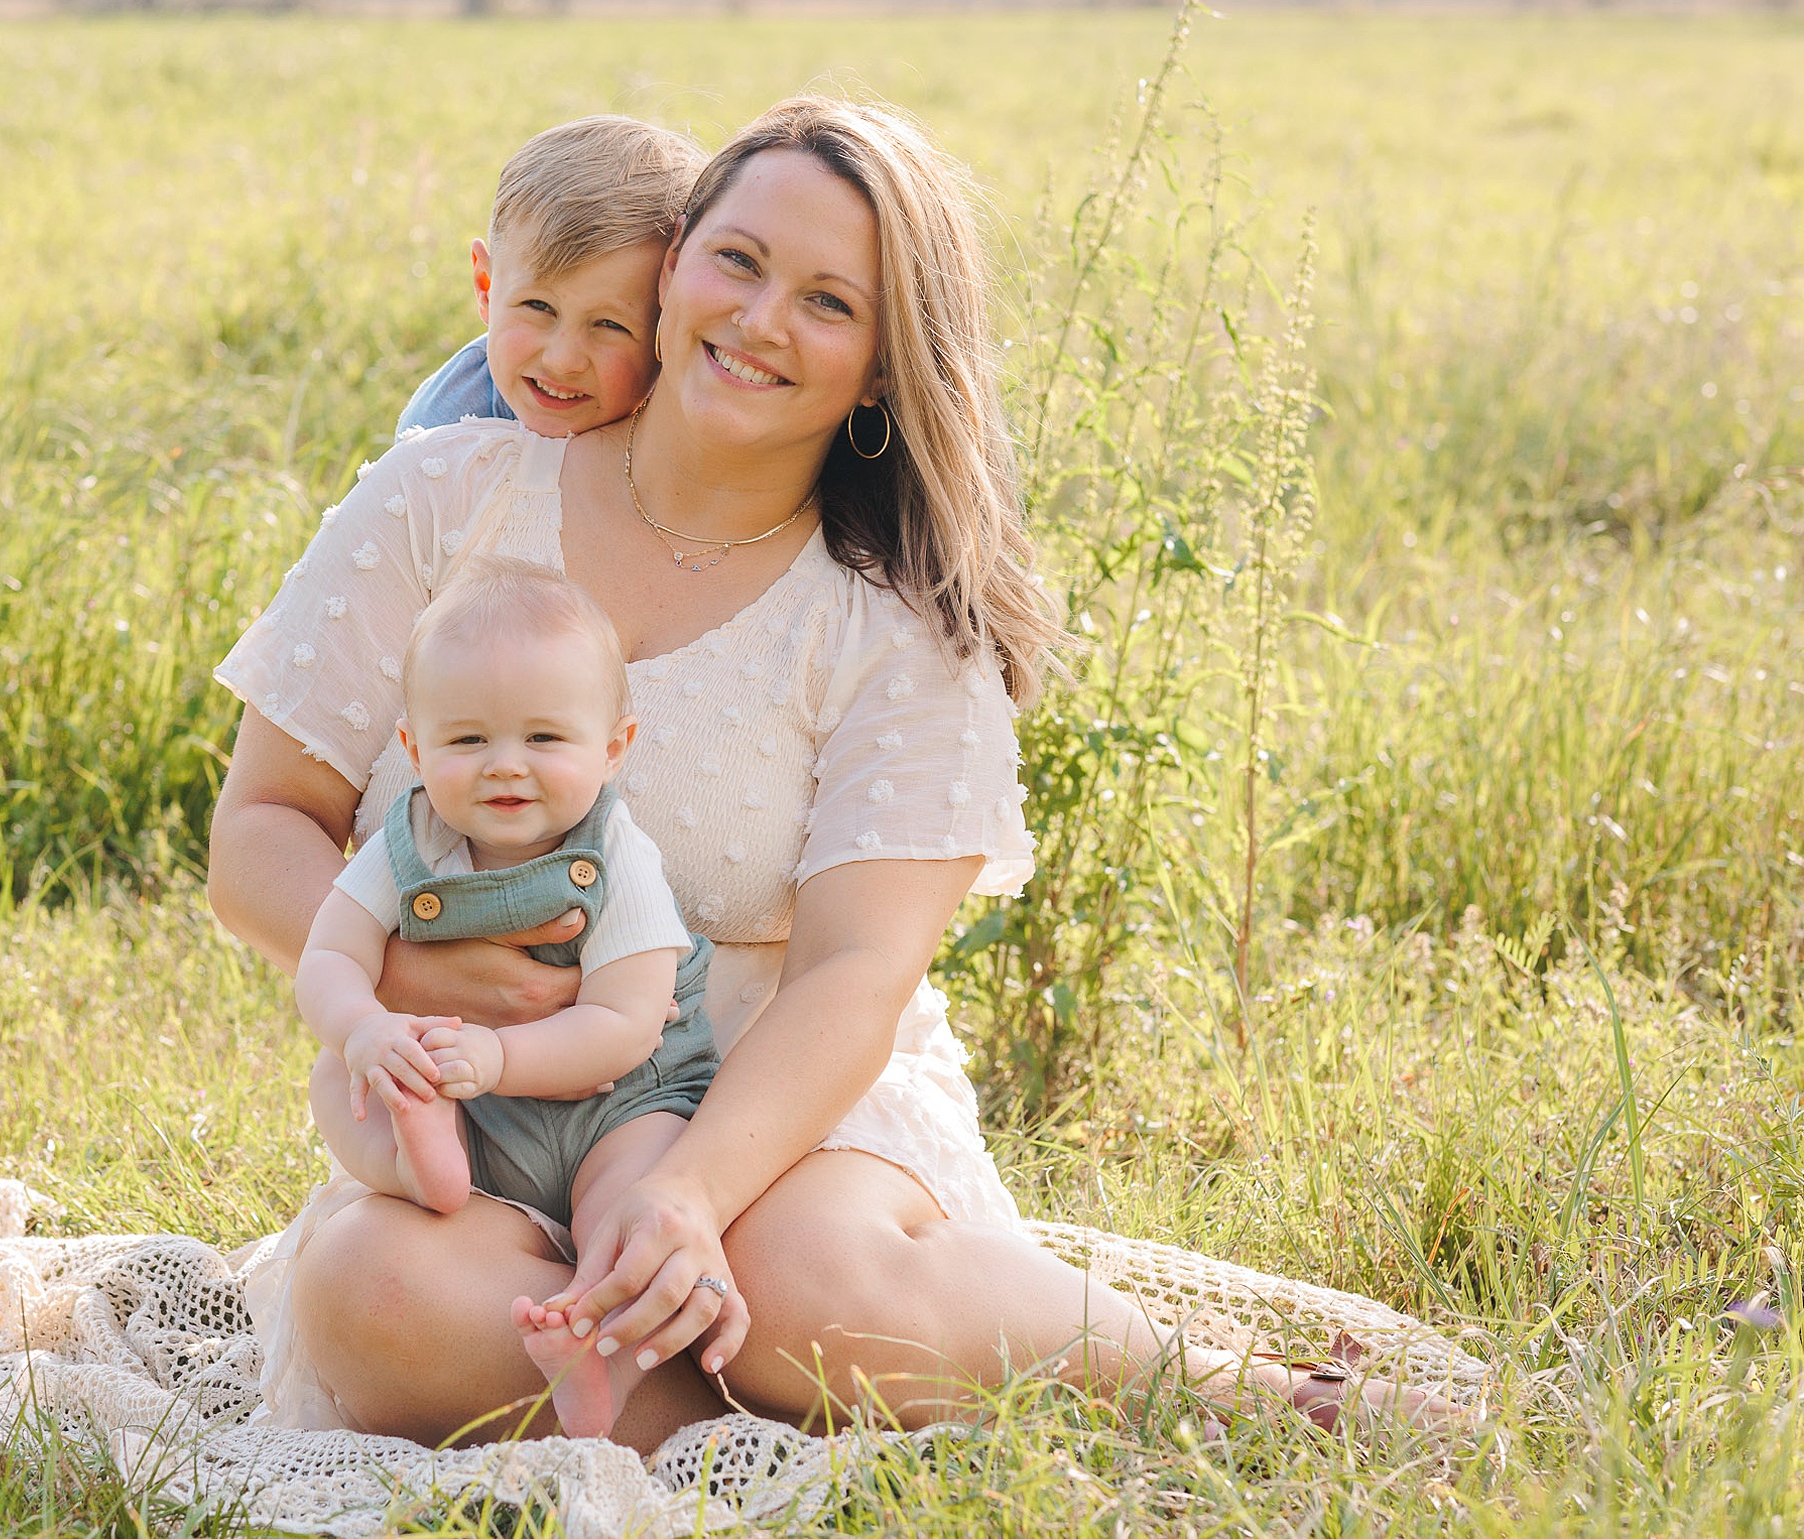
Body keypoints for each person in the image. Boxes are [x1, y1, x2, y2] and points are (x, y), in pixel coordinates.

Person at [212, 97, 1464, 1445]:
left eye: (826, 301)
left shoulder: (900, 622)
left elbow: (856, 974)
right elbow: (262, 828)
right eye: (738, 262)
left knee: (799, 1288)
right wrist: (400, 979)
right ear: (674, 257)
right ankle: (781, 1408)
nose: (757, 322)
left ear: (880, 364)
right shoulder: (440, 500)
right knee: (374, 1291)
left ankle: (1240, 1392)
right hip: (496, 1113)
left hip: (787, 1119)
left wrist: (688, 1190)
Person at [285, 556, 724, 1435]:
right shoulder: (410, 841)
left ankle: (593, 1337)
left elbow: (627, 1024)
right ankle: (422, 1165)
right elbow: (327, 955)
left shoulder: (616, 854)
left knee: (628, 1200)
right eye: (468, 741)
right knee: (339, 1080)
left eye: (544, 740)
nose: (505, 767)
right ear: (414, 749)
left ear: (613, 749)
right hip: (472, 1115)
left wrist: (499, 1056)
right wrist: (367, 1027)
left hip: (618, 1104)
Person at [392, 113, 702, 441]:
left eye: (610, 324)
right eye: (538, 306)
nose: (562, 361)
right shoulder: (441, 431)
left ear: (667, 327)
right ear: (486, 287)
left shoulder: (693, 417)